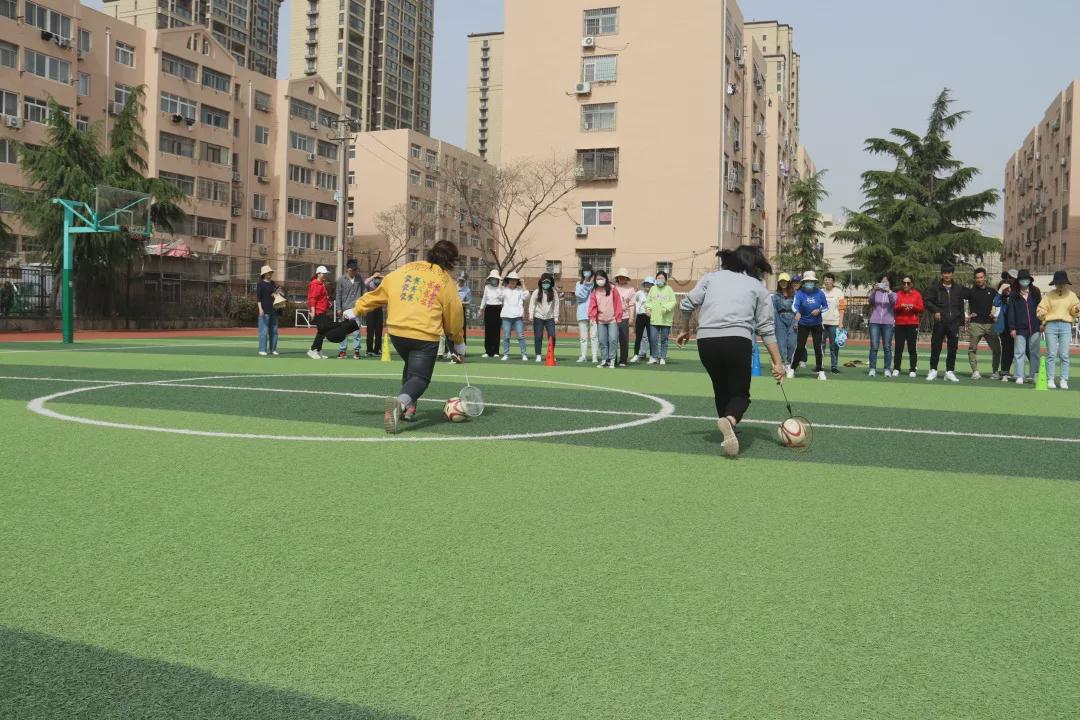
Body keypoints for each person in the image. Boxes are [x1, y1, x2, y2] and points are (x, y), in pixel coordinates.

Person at [674, 245, 786, 458]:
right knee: (741, 394)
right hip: (737, 340)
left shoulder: (711, 278)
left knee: (721, 389)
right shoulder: (757, 286)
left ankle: (729, 433)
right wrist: (777, 362)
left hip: (706, 341)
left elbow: (687, 304)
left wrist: (685, 329)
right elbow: (766, 328)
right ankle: (729, 421)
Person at [347, 240, 465, 434]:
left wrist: (357, 308)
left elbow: (380, 292)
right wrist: (458, 342)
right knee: (420, 377)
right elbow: (454, 315)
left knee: (410, 367)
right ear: (451, 261)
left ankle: (409, 408)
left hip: (397, 331)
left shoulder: (406, 269)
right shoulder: (446, 281)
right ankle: (400, 403)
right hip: (424, 334)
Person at [1037, 270, 1080, 390]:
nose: (1060, 285)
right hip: (1051, 325)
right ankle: (1050, 379)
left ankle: (1063, 379)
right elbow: (1041, 309)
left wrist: (1076, 310)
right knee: (1051, 354)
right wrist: (1041, 313)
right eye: (1057, 282)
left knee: (1064, 354)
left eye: (1062, 282)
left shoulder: (1071, 295)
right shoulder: (1049, 295)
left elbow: (1075, 310)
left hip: (1066, 325)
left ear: (1066, 283)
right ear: (1054, 283)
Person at [924, 263, 965, 382]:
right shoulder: (935, 287)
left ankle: (949, 371)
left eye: (949, 273)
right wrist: (936, 310)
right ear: (942, 274)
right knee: (936, 346)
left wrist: (961, 323)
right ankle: (933, 370)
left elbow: (961, 306)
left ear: (952, 274)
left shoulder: (958, 288)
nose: (947, 275)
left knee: (953, 348)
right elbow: (927, 301)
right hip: (940, 321)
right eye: (945, 273)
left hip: (954, 323)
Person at [790, 271, 828, 381]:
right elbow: (794, 306)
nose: (809, 283)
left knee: (818, 347)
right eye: (807, 281)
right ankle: (792, 369)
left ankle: (820, 371)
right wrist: (797, 312)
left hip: (817, 324)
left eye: (811, 281)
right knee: (800, 347)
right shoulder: (800, 293)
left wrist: (819, 310)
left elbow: (826, 306)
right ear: (804, 282)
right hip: (803, 323)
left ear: (814, 282)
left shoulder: (820, 293)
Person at [965, 267, 1002, 380]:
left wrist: (995, 316)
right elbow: (960, 303)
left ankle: (995, 372)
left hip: (990, 325)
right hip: (975, 325)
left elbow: (999, 304)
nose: (979, 279)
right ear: (975, 279)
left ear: (985, 278)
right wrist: (967, 315)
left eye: (981, 277)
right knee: (972, 349)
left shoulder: (992, 291)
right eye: (977, 278)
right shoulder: (970, 292)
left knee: (997, 350)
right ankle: (975, 371)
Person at [1006, 269, 1042, 385]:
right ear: (1018, 281)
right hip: (1020, 328)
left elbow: (1041, 309)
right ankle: (1019, 375)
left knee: (1035, 352)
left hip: (1035, 327)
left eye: (1026, 279)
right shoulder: (1014, 295)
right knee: (1019, 352)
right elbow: (1011, 312)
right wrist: (1012, 328)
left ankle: (1034, 375)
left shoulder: (1036, 292)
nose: (1024, 281)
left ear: (1030, 280)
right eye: (1022, 279)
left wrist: (1042, 323)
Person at [589, 269, 623, 369]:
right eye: (597, 279)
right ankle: (604, 360)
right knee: (602, 341)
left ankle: (612, 360)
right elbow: (592, 305)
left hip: (612, 320)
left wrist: (619, 317)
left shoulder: (613, 289)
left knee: (613, 339)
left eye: (601, 278)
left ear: (606, 279)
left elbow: (618, 303)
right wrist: (592, 316)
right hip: (600, 321)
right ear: (595, 280)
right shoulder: (594, 291)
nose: (600, 280)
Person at [893, 275, 924, 377]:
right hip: (899, 324)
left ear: (912, 284)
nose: (906, 285)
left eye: (908, 283)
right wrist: (900, 306)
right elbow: (894, 308)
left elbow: (921, 308)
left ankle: (912, 369)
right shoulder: (898, 294)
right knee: (898, 347)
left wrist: (913, 306)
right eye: (904, 283)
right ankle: (897, 368)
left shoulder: (917, 295)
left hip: (912, 324)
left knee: (912, 348)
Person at [335, 259, 367, 359]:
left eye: (355, 270)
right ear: (347, 269)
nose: (353, 272)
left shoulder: (359, 278)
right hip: (345, 308)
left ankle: (356, 351)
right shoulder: (341, 280)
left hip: (356, 308)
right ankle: (342, 351)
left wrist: (364, 305)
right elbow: (338, 294)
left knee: (356, 331)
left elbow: (364, 291)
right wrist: (339, 308)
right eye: (352, 270)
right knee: (344, 330)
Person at [866, 273, 896, 377]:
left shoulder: (893, 293)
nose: (884, 283)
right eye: (882, 281)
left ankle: (887, 369)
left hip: (888, 322)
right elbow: (870, 300)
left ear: (890, 283)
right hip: (875, 322)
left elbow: (894, 302)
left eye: (886, 281)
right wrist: (874, 290)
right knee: (874, 346)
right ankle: (872, 368)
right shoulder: (876, 292)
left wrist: (889, 292)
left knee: (887, 347)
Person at [645, 270, 677, 365]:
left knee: (664, 339)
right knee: (653, 338)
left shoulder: (669, 289)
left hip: (665, 319)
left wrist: (666, 308)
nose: (660, 279)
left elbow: (673, 301)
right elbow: (649, 301)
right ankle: (655, 357)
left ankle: (662, 357)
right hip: (654, 318)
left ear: (665, 280)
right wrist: (648, 309)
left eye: (662, 278)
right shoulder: (653, 289)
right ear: (656, 279)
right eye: (658, 278)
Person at [528, 272, 560, 362]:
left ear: (550, 283)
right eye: (544, 282)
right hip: (538, 317)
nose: (545, 284)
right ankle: (538, 355)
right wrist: (531, 315)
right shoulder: (536, 291)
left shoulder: (553, 292)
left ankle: (551, 354)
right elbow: (532, 304)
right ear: (541, 282)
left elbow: (556, 304)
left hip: (550, 318)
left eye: (548, 282)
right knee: (538, 336)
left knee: (552, 335)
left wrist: (556, 317)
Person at [500, 271, 529, 361]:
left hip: (517, 317)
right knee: (506, 336)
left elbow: (527, 296)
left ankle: (524, 354)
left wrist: (523, 284)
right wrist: (500, 284)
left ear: (517, 281)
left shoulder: (520, 290)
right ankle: (506, 354)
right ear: (508, 281)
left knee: (521, 336)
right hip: (506, 316)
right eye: (511, 280)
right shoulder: (504, 290)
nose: (512, 282)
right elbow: (498, 296)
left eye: (515, 280)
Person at [821, 273, 847, 374]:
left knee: (834, 346)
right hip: (821, 323)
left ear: (833, 281)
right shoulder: (820, 292)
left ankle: (834, 366)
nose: (827, 281)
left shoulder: (839, 292)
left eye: (829, 279)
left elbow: (842, 308)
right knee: (820, 345)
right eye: (825, 279)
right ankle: (820, 365)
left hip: (834, 323)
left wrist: (840, 323)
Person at [771, 273, 797, 370]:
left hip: (793, 318)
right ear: (779, 283)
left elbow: (798, 309)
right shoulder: (776, 296)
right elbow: (773, 309)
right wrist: (775, 322)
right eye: (781, 281)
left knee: (792, 343)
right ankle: (783, 362)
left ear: (788, 282)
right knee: (781, 343)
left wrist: (796, 322)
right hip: (780, 319)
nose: (783, 283)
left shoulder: (795, 295)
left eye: (785, 281)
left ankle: (790, 362)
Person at [306, 265, 332, 360]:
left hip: (322, 310)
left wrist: (327, 302)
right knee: (322, 331)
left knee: (323, 331)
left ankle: (318, 350)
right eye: (323, 273)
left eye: (325, 273)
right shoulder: (315, 284)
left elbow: (321, 297)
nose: (325, 275)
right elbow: (312, 298)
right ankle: (313, 349)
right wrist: (312, 311)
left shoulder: (321, 284)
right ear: (318, 274)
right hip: (318, 311)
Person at [575, 264, 598, 363]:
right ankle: (583, 356)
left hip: (593, 313)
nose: (586, 273)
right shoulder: (578, 284)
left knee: (594, 336)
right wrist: (586, 284)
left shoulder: (596, 284)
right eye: (584, 271)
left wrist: (591, 284)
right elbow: (580, 296)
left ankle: (594, 356)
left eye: (588, 271)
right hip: (582, 313)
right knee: (583, 337)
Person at [613, 268, 636, 366]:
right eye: (620, 277)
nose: (622, 278)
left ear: (626, 278)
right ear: (617, 278)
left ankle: (623, 360)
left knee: (623, 339)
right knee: (613, 339)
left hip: (624, 317)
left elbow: (632, 305)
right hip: (613, 317)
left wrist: (631, 318)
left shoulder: (631, 290)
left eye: (624, 277)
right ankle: (613, 359)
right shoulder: (613, 288)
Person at [255, 264, 280, 357]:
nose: (270, 274)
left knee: (274, 331)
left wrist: (277, 293)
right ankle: (262, 349)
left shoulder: (273, 283)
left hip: (274, 309)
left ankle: (273, 349)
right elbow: (258, 298)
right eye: (268, 272)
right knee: (264, 331)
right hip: (264, 310)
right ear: (264, 274)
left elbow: (274, 295)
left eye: (271, 272)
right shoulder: (260, 284)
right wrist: (260, 309)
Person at [478, 269, 503, 358]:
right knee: (488, 331)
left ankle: (496, 351)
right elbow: (484, 298)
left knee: (496, 331)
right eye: (492, 278)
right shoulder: (487, 287)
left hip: (498, 309)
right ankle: (488, 351)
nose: (494, 280)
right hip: (488, 309)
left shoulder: (501, 288)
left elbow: (501, 298)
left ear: (498, 279)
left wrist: (500, 286)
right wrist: (481, 309)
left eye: (495, 278)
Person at [630, 277, 654, 363]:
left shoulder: (654, 294)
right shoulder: (639, 293)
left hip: (650, 317)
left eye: (650, 284)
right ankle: (636, 355)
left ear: (652, 285)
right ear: (643, 284)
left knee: (651, 337)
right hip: (640, 316)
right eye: (646, 283)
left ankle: (652, 356)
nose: (648, 285)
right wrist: (633, 316)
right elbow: (634, 302)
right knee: (638, 337)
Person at [994, 279, 1014, 381]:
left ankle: (1022, 372)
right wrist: (1001, 289)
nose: (1007, 289)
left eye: (1008, 287)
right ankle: (1004, 371)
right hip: (1004, 328)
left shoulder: (1014, 297)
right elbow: (995, 303)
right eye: (1004, 288)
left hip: (1014, 328)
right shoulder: (1000, 299)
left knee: (1017, 350)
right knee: (1006, 350)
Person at [365, 273, 385, 357]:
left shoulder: (382, 285)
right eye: (376, 278)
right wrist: (373, 276)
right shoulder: (370, 285)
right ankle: (369, 350)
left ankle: (377, 350)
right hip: (370, 309)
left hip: (379, 309)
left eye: (378, 278)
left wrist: (381, 276)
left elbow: (389, 280)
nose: (377, 280)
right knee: (370, 331)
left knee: (378, 331)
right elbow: (365, 282)